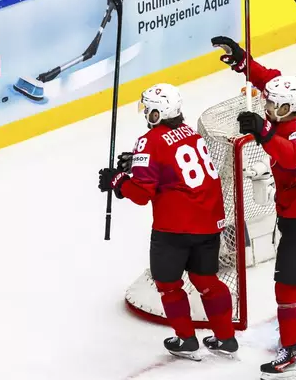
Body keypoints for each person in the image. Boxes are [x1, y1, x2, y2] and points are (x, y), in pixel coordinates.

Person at [212, 36, 296, 380]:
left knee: (286, 286)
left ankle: (292, 351)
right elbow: (269, 80)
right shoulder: (291, 102)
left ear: (292, 108)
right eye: (270, 106)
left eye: (278, 109)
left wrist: (264, 132)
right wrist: (243, 60)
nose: (271, 111)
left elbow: (293, 156)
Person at [97, 83, 237, 361]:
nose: (146, 114)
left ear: (157, 113)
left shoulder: (149, 141)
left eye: (148, 109)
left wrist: (118, 181)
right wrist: (135, 167)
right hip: (209, 223)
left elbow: (140, 194)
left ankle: (186, 340)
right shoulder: (192, 135)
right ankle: (226, 338)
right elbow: (171, 169)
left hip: (174, 229)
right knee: (206, 280)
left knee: (169, 285)